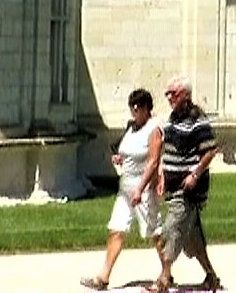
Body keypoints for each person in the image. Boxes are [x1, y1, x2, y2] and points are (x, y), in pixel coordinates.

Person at [82, 88, 162, 290]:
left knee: (155, 233)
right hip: (125, 188)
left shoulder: (154, 129)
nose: (135, 110)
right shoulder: (131, 128)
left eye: (139, 106)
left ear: (147, 108)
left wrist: (141, 189)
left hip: (142, 190)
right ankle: (103, 277)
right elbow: (126, 152)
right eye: (133, 106)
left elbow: (153, 161)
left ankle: (166, 274)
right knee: (116, 229)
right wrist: (119, 158)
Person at [149, 77, 222, 293]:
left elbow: (210, 150)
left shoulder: (197, 120)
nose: (170, 97)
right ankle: (211, 276)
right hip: (172, 187)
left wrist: (195, 174)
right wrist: (162, 173)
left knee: (171, 230)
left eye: (174, 93)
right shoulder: (172, 119)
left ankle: (164, 279)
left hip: (188, 190)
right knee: (193, 240)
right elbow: (168, 149)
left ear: (186, 95)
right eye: (168, 94)